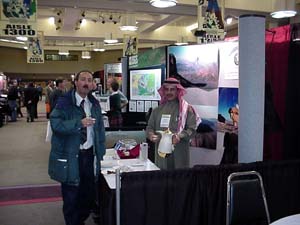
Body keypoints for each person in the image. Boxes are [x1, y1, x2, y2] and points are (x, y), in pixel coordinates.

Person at [48, 70, 105, 225]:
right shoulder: (64, 102)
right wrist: (78, 124)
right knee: (71, 195)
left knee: (88, 194)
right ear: (76, 82)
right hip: (71, 155)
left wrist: (101, 152)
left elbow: (99, 129)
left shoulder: (94, 103)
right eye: (83, 79)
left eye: (89, 80)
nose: (86, 83)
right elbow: (56, 124)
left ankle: (79, 219)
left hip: (89, 155)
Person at [146, 77, 200, 169]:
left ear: (178, 91)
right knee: (162, 180)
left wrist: (179, 136)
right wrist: (151, 135)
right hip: (161, 155)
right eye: (166, 89)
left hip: (179, 154)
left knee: (179, 180)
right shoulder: (157, 110)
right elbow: (149, 127)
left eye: (172, 89)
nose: (169, 92)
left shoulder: (186, 109)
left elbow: (192, 129)